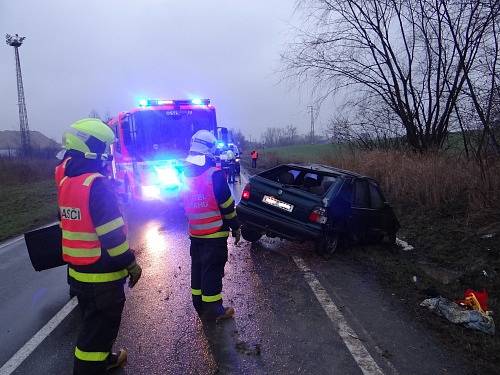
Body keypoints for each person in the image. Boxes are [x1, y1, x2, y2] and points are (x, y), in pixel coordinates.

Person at [57, 118, 142, 375]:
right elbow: (113, 239)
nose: (106, 154)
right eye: (103, 147)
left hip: (78, 274)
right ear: (89, 148)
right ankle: (93, 367)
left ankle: (105, 359)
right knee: (97, 333)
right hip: (101, 276)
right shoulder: (97, 185)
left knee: (93, 326)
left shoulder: (67, 182)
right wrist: (131, 264)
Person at [182, 130, 241, 321]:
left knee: (198, 269)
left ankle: (198, 304)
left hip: (195, 235)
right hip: (214, 235)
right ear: (209, 150)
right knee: (213, 270)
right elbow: (227, 206)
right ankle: (214, 310)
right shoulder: (214, 175)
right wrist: (235, 226)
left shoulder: (184, 174)